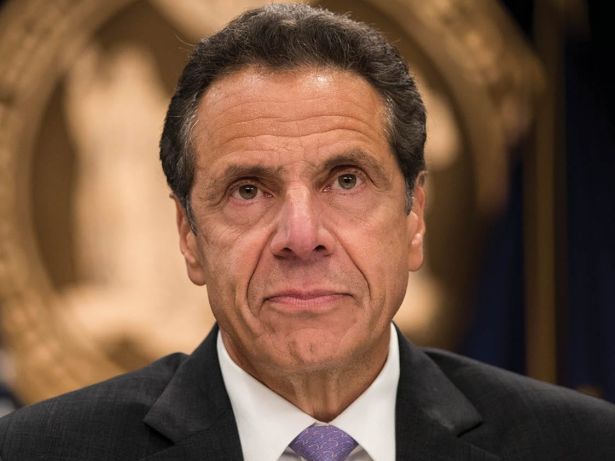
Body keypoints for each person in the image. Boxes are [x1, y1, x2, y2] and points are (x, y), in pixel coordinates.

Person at [1, 4, 614, 460]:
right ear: (188, 235)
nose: (301, 235)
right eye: (248, 190)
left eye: (346, 180)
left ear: (414, 217)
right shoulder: (37, 451)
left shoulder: (582, 445)